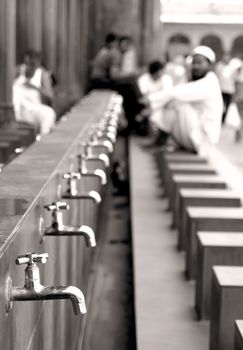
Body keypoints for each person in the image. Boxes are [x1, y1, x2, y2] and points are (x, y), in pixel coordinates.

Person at [145, 46, 223, 155]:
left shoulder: (208, 83)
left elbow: (176, 93)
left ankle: (160, 142)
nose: (195, 66)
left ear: (210, 66)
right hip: (196, 135)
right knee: (175, 101)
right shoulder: (201, 80)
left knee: (176, 103)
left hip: (203, 141)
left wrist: (148, 101)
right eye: (193, 63)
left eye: (200, 63)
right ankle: (161, 141)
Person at [12, 50, 56, 135]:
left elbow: (51, 96)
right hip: (18, 110)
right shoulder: (18, 71)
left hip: (35, 109)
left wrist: (35, 87)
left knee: (49, 113)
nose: (30, 67)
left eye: (33, 64)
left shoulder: (42, 74)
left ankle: (44, 136)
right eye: (28, 64)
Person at [136, 60, 173, 135]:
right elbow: (143, 97)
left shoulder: (166, 79)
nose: (162, 73)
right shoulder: (144, 79)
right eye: (160, 71)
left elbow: (167, 94)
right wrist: (150, 101)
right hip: (146, 105)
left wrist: (152, 100)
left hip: (161, 104)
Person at [215, 52, 239, 124]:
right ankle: (219, 119)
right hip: (221, 89)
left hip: (229, 90)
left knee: (227, 106)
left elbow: (235, 79)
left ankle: (223, 120)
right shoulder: (219, 66)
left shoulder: (232, 67)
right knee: (220, 105)